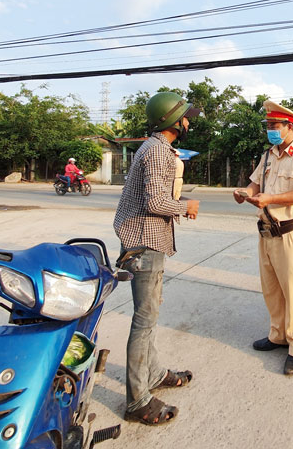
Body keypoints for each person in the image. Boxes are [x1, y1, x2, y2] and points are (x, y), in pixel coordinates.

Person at [113, 91, 201, 426]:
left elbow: (156, 198)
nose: (188, 121)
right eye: (185, 116)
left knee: (149, 315)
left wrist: (177, 203)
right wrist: (186, 206)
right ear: (172, 120)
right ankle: (138, 401)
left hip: (144, 241)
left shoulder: (154, 148)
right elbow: (155, 203)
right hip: (143, 245)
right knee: (144, 320)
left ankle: (155, 373)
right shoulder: (158, 152)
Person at [233, 100, 293, 376]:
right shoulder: (268, 155)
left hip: (290, 232)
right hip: (266, 232)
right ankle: (277, 334)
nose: (269, 130)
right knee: (271, 289)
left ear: (288, 126)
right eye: (268, 125)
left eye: (273, 125)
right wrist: (245, 193)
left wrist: (272, 198)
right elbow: (255, 183)